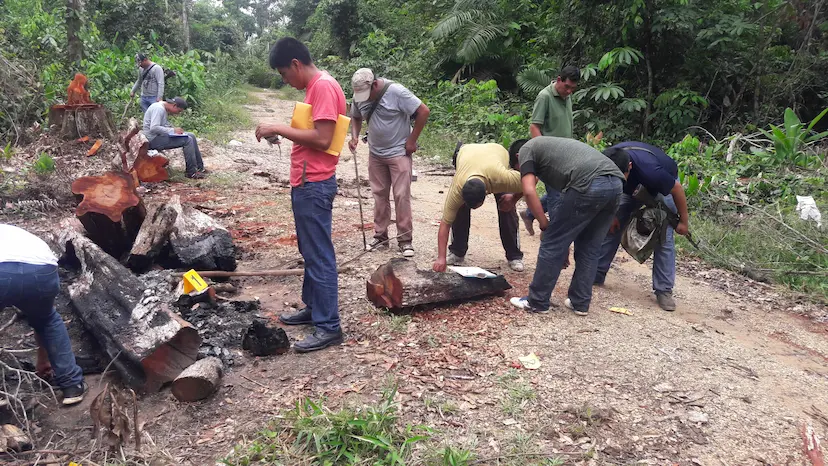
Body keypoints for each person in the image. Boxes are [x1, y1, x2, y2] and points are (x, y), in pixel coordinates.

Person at [254, 37, 346, 353]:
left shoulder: (322, 86)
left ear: (295, 64)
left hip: (314, 184)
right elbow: (313, 135)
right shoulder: (317, 86)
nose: (285, 80)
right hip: (308, 182)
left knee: (319, 253)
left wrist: (278, 128)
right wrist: (286, 134)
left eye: (283, 74)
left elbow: (323, 138)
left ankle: (329, 326)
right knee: (310, 250)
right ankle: (314, 308)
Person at [509, 137, 628, 315]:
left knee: (551, 242)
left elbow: (528, 190)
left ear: (518, 157)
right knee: (590, 247)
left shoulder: (527, 149)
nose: (522, 173)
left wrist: (544, 224)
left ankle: (537, 301)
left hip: (589, 183)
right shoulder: (553, 153)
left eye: (518, 169)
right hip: (617, 184)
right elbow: (560, 202)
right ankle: (580, 302)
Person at [595, 142, 690, 311]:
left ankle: (664, 290)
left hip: (664, 188)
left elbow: (677, 190)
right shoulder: (606, 160)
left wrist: (683, 222)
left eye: (619, 175)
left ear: (629, 167)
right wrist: (611, 215)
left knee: (663, 236)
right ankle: (597, 272)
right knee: (611, 226)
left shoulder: (652, 172)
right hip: (629, 189)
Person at [0, 224, 87, 406]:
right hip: (42, 269)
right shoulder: (12, 232)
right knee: (47, 319)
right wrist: (43, 359)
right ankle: (72, 385)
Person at [349, 68, 430, 257]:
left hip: (398, 152)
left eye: (366, 94)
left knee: (401, 195)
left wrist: (411, 140)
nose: (363, 98)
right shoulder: (359, 95)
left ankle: (405, 240)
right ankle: (380, 236)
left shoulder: (397, 92)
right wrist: (354, 136)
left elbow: (423, 111)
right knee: (379, 195)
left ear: (375, 85)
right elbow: (355, 116)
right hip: (375, 153)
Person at [432, 142, 525, 273]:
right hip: (467, 152)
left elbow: (531, 181)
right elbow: (445, 223)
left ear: (486, 195)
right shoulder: (457, 188)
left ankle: (514, 256)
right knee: (459, 210)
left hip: (495, 153)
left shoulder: (502, 178)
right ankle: (457, 252)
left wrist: (513, 199)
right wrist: (441, 258)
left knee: (506, 205)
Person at [520, 65, 581, 235]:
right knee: (556, 195)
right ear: (559, 79)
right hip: (550, 157)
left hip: (567, 154)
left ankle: (530, 213)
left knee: (564, 192)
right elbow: (534, 126)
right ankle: (553, 234)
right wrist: (542, 153)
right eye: (566, 86)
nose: (569, 91)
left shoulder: (567, 96)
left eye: (572, 88)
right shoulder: (545, 96)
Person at [143, 97, 207, 180]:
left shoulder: (162, 108)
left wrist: (174, 130)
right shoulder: (158, 109)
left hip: (159, 136)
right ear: (174, 106)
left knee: (191, 135)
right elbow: (154, 128)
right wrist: (172, 130)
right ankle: (191, 172)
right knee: (187, 140)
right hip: (153, 139)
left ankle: (199, 168)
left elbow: (163, 125)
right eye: (179, 111)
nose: (178, 114)